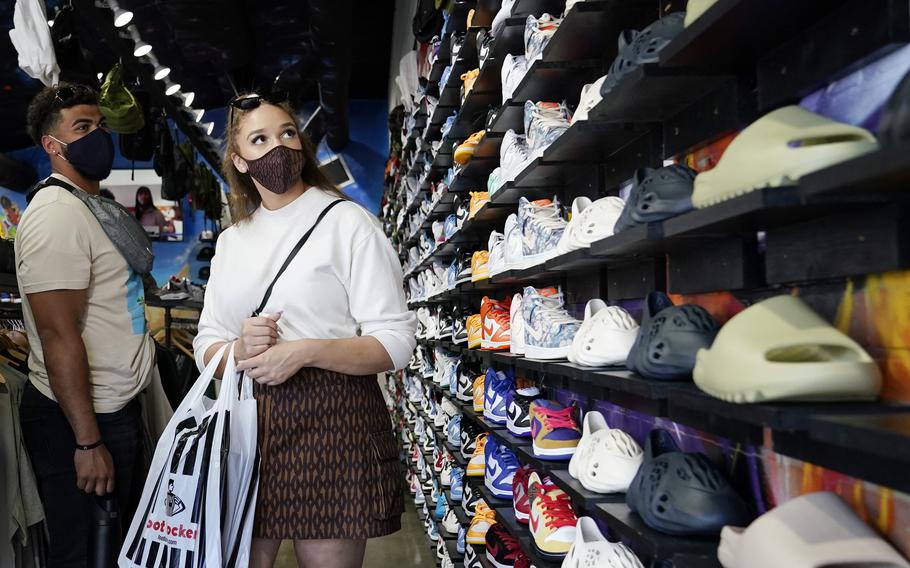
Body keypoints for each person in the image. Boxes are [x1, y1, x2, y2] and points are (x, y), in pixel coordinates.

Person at [192, 93, 416, 568]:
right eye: (259, 139)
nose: (278, 146)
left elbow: (396, 341)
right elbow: (205, 343)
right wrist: (237, 350)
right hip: (246, 425)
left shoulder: (348, 223)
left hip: (332, 423)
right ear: (239, 160)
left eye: (287, 133)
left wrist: (304, 352)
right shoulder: (232, 242)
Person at [16, 82, 157, 567]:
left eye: (100, 125)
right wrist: (87, 441)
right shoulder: (56, 215)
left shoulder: (91, 207)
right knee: (84, 553)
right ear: (52, 146)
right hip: (81, 419)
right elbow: (58, 335)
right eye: (82, 128)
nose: (98, 136)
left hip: (113, 408)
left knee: (116, 550)